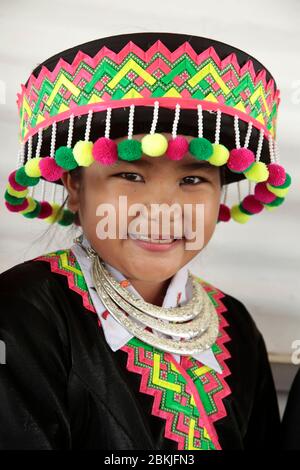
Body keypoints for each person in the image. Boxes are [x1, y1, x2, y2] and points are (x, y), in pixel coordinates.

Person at [0, 32, 291, 450]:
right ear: (75, 186)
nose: (163, 210)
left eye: (192, 179)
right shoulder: (22, 314)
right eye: (131, 176)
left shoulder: (235, 325)